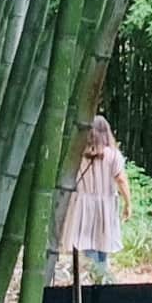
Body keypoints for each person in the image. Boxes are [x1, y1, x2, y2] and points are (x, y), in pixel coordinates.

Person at [56, 115, 130, 288]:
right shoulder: (113, 156)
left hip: (82, 204)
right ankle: (103, 279)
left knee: (87, 241)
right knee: (104, 242)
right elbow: (121, 180)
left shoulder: (77, 155)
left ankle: (96, 279)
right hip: (106, 204)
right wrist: (128, 203)